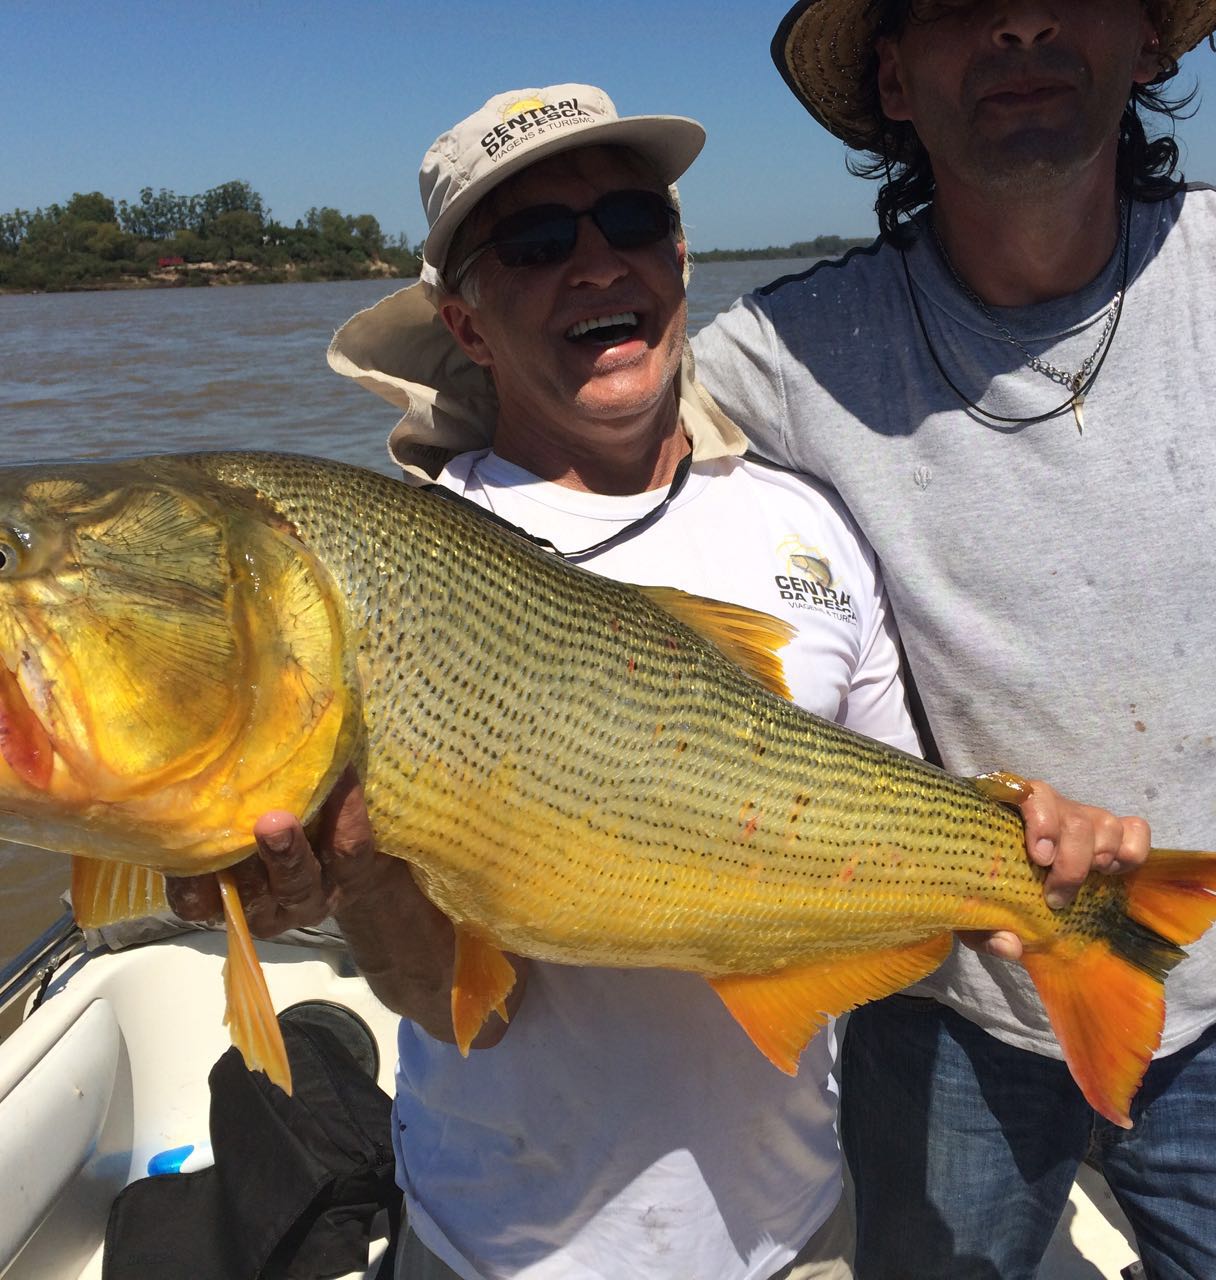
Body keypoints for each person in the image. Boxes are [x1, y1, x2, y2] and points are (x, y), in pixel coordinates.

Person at [170, 83, 1146, 1279]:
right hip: (494, 1247)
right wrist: (358, 879)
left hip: (798, 1231)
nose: (594, 264)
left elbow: (891, 802)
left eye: (628, 221)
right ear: (464, 321)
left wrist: (1022, 863)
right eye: (533, 242)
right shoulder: (397, 565)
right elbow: (448, 1001)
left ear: (678, 259)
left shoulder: (807, 522)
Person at [691, 3, 1216, 1277]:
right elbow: (562, 429)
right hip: (950, 1008)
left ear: (1147, 44)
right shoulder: (784, 359)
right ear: (895, 82)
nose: (1017, 22)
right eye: (958, 5)